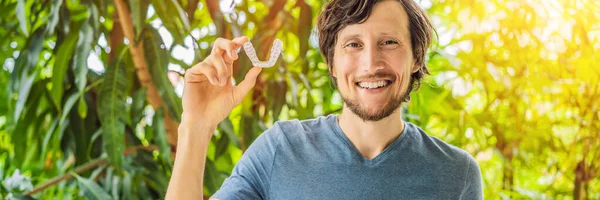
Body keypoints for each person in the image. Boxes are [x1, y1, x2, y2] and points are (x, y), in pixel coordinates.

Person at [166, 0, 483, 199]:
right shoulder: (279, 150)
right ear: (332, 63)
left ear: (416, 58)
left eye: (389, 42)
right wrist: (196, 126)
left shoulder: (457, 175)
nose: (371, 63)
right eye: (353, 45)